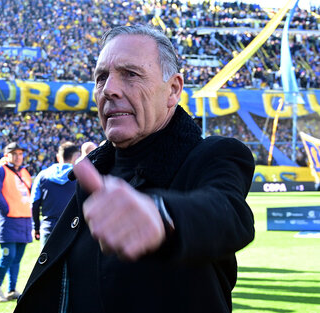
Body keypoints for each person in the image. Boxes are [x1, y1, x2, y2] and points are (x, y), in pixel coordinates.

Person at [14, 25, 255, 313]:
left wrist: (161, 216)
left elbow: (227, 213)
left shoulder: (212, 155)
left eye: (130, 74)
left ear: (173, 90)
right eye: (101, 77)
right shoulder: (93, 172)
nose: (109, 90)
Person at [0, 142, 33, 303]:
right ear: (7, 155)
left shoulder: (24, 172)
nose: (18, 157)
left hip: (24, 221)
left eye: (20, 154)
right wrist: (7, 209)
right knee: (8, 256)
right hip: (8, 222)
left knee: (17, 258)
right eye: (14, 154)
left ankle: (12, 289)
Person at [31, 141, 80, 248]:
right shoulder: (80, 175)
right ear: (76, 157)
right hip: (72, 230)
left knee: (48, 264)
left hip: (48, 229)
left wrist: (36, 227)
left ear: (58, 157)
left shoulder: (42, 176)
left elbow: (34, 204)